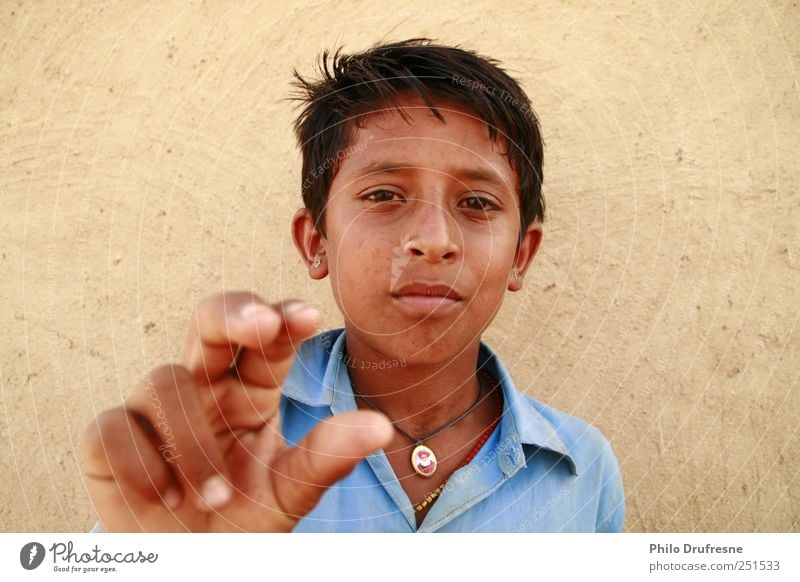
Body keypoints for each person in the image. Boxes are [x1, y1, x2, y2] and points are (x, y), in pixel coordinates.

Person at [84, 38, 624, 533]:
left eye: (477, 203)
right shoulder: (225, 436)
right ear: (316, 240)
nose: (434, 241)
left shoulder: (581, 469)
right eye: (384, 195)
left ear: (520, 258)